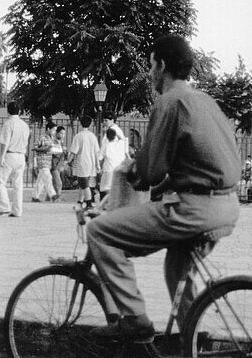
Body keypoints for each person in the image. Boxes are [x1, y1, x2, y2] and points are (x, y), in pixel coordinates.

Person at [87, 35, 241, 341]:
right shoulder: (205, 100)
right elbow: (199, 164)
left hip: (195, 210)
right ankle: (190, 350)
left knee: (99, 232)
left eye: (152, 65)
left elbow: (150, 172)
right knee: (176, 270)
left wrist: (132, 171)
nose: (151, 74)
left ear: (162, 65)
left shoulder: (169, 102)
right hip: (227, 206)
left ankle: (134, 319)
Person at [0, 103, 30, 218]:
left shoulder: (8, 124)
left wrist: (2, 157)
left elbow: (5, 142)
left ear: (7, 111)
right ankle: (17, 211)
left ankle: (4, 207)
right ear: (19, 111)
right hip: (21, 156)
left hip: (10, 155)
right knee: (18, 184)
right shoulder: (25, 125)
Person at [67, 115, 102, 210]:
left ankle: (89, 204)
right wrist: (97, 165)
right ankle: (80, 202)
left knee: (84, 185)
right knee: (83, 184)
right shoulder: (93, 137)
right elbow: (96, 152)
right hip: (92, 163)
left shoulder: (78, 136)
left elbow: (73, 151)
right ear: (90, 124)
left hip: (82, 163)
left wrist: (68, 161)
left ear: (80, 123)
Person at [98, 126, 127, 202]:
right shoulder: (120, 144)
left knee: (105, 187)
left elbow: (100, 158)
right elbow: (122, 139)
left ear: (106, 137)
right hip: (119, 168)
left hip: (109, 168)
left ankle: (111, 200)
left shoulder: (106, 145)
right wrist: (116, 133)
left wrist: (99, 167)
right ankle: (112, 200)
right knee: (116, 186)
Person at [31, 123, 56, 202]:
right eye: (53, 130)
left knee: (40, 181)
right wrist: (46, 148)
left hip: (48, 162)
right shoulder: (42, 137)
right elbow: (34, 148)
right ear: (48, 129)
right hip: (42, 161)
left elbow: (51, 149)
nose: (54, 132)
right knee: (48, 177)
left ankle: (35, 197)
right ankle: (53, 194)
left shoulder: (51, 139)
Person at [50, 124, 67, 200]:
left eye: (64, 133)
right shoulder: (53, 142)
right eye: (61, 133)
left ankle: (49, 199)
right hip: (54, 165)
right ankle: (58, 198)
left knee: (54, 183)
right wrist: (61, 150)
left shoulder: (62, 142)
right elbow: (52, 152)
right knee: (58, 183)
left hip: (59, 165)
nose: (63, 135)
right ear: (57, 133)